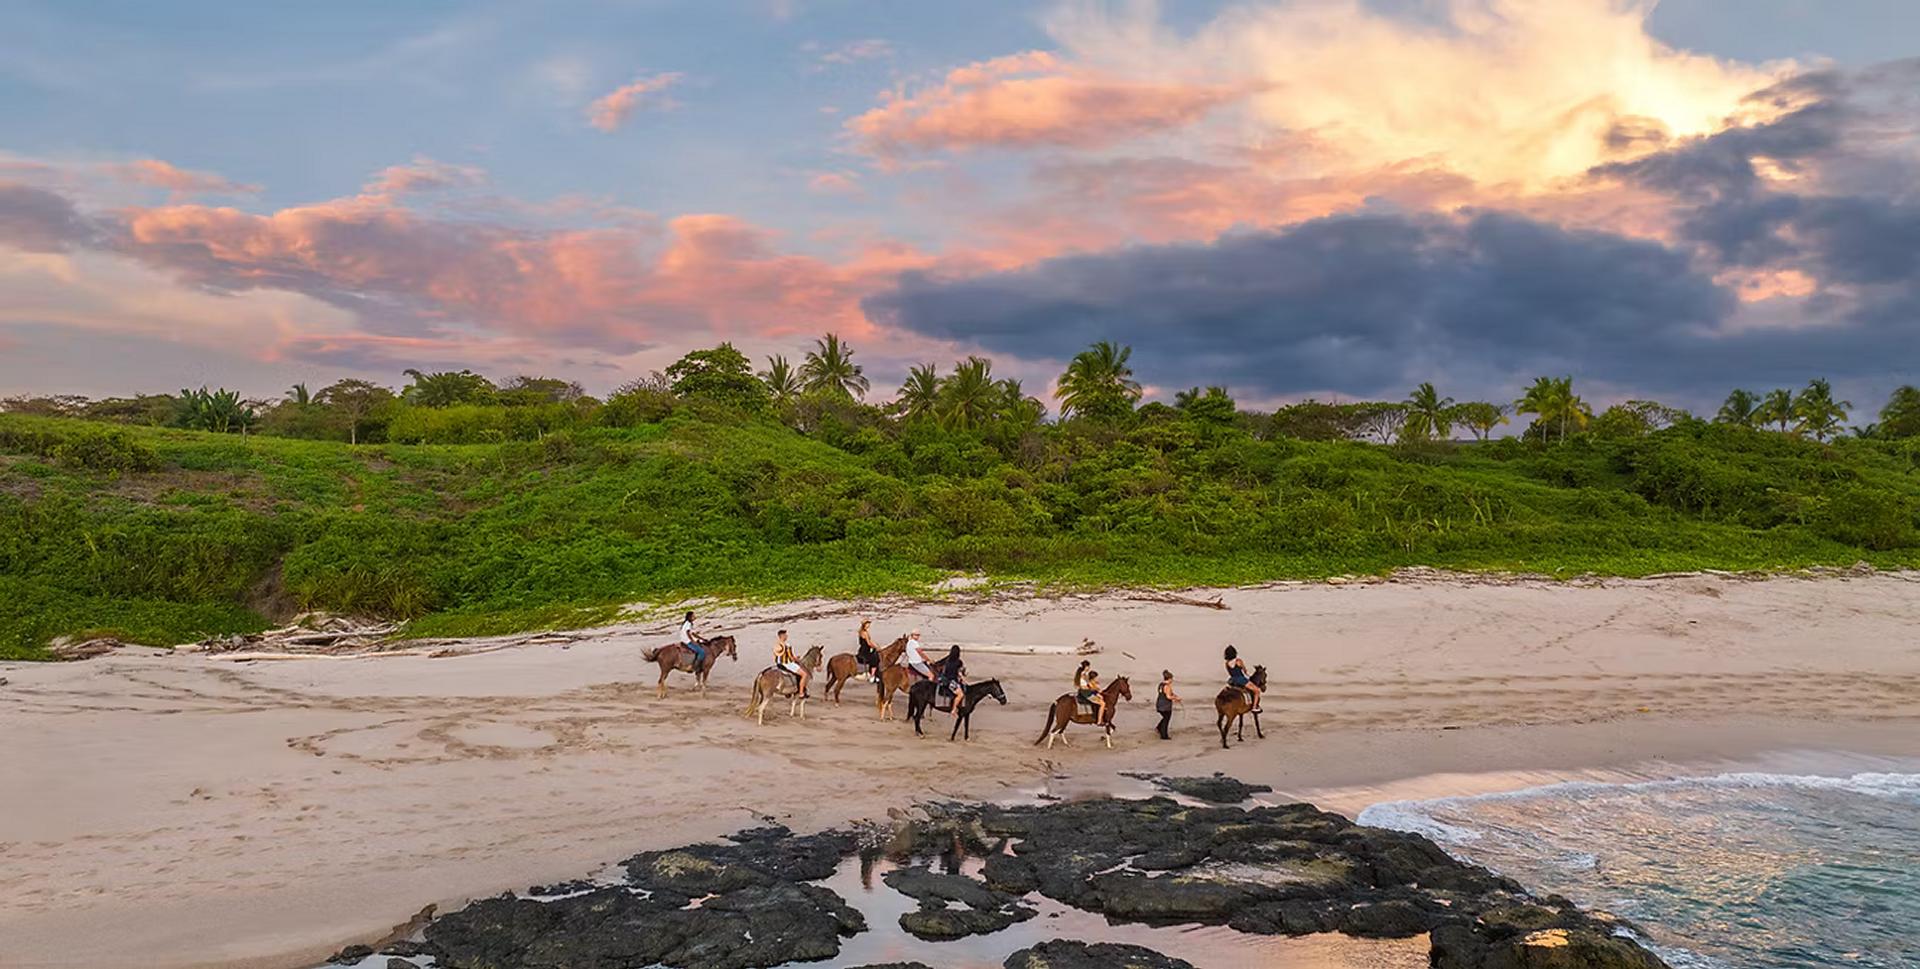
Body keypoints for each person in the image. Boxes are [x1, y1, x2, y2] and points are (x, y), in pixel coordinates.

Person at [773, 629, 811, 698]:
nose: (787, 636)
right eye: (785, 635)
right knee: (804, 674)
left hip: (779, 664)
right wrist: (797, 659)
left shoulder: (777, 645)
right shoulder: (787, 645)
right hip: (787, 664)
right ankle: (801, 692)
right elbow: (791, 657)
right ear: (782, 636)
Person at [1224, 645, 1260, 712]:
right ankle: (1254, 707)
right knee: (1257, 691)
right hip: (1241, 679)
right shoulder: (1239, 661)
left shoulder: (1226, 663)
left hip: (1232, 680)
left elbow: (1230, 673)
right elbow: (1245, 671)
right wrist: (1248, 676)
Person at [935, 645, 966, 719]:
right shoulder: (958, 662)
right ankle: (954, 709)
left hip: (944, 679)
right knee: (960, 694)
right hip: (951, 681)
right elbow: (959, 673)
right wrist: (963, 679)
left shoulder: (947, 660)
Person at [1155, 670, 1181, 740]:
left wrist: (1174, 696)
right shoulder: (1167, 686)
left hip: (1159, 704)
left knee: (1164, 718)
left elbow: (1166, 694)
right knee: (1166, 719)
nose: (1172, 680)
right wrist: (1176, 698)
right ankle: (1164, 735)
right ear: (1169, 679)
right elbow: (1168, 696)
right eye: (1171, 679)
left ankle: (1158, 728)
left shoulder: (1161, 685)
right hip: (1165, 706)